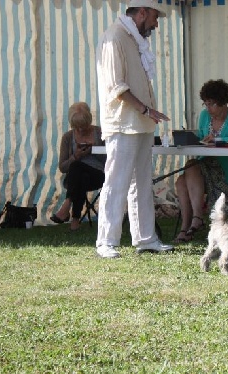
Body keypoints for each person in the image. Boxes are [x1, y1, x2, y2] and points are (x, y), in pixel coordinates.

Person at [95, 0, 172, 259]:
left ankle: (145, 238)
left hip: (141, 123)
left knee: (141, 184)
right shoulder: (114, 37)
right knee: (116, 182)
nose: (156, 23)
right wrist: (146, 109)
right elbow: (117, 87)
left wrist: (147, 113)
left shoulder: (135, 40)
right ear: (141, 13)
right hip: (122, 122)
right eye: (154, 17)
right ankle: (106, 241)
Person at [173, 79, 228, 243]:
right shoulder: (204, 116)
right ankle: (193, 221)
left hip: (226, 170)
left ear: (223, 103)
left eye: (212, 104)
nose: (208, 108)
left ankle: (189, 226)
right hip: (205, 165)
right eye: (205, 104)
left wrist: (219, 139)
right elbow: (201, 138)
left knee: (184, 177)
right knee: (184, 176)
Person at [51, 102, 106, 231]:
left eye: (84, 126)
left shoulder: (99, 133)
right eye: (77, 126)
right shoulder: (68, 137)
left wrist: (92, 150)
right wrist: (75, 156)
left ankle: (67, 205)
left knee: (77, 168)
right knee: (79, 173)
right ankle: (75, 219)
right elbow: (63, 168)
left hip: (97, 175)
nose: (81, 129)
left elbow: (109, 160)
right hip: (77, 178)